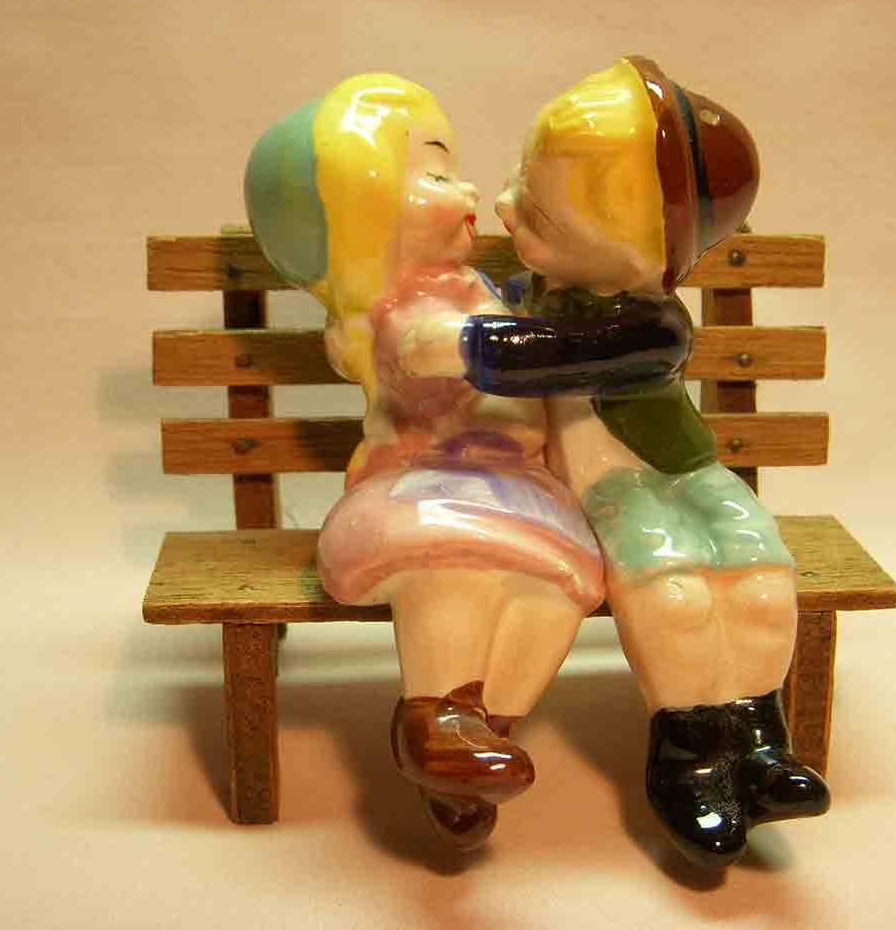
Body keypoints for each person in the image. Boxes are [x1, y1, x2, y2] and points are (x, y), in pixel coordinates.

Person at [411, 57, 830, 868]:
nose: (503, 206)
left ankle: (758, 743)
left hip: (687, 471)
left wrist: (466, 344)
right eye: (519, 184)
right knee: (673, 591)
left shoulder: (653, 326)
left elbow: (548, 353)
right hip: (605, 486)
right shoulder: (528, 290)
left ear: (638, 258)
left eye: (537, 212)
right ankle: (691, 759)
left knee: (760, 575)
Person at [243, 74, 605, 849]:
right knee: (454, 567)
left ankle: (479, 737)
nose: (468, 189)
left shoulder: (477, 287)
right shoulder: (397, 312)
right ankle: (433, 719)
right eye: (437, 174)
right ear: (363, 215)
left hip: (521, 487)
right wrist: (543, 345)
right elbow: (445, 354)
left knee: (553, 595)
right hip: (424, 487)